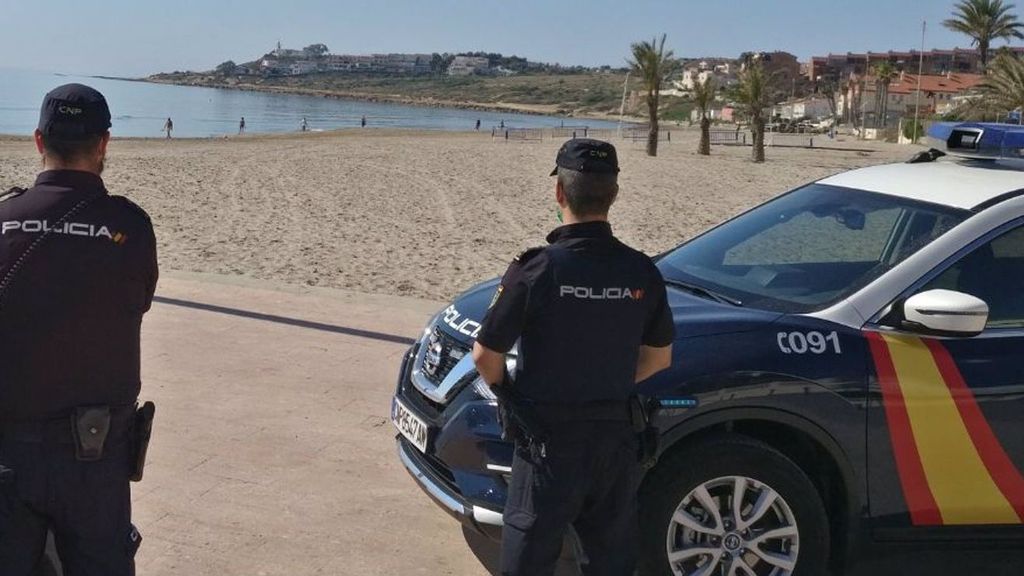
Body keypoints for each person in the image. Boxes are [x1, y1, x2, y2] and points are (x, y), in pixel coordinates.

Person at [473, 139, 675, 576]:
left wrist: (511, 398)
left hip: (548, 443)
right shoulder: (641, 271)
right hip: (613, 442)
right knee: (610, 561)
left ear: (559, 193)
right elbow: (659, 359)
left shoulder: (539, 268)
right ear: (614, 195)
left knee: (527, 560)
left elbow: (485, 356)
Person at [0, 83, 159, 576]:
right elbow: (137, 302)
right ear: (105, 144)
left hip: (8, 455)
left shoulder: (3, 218)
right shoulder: (129, 227)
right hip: (95, 457)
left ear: (38, 141)